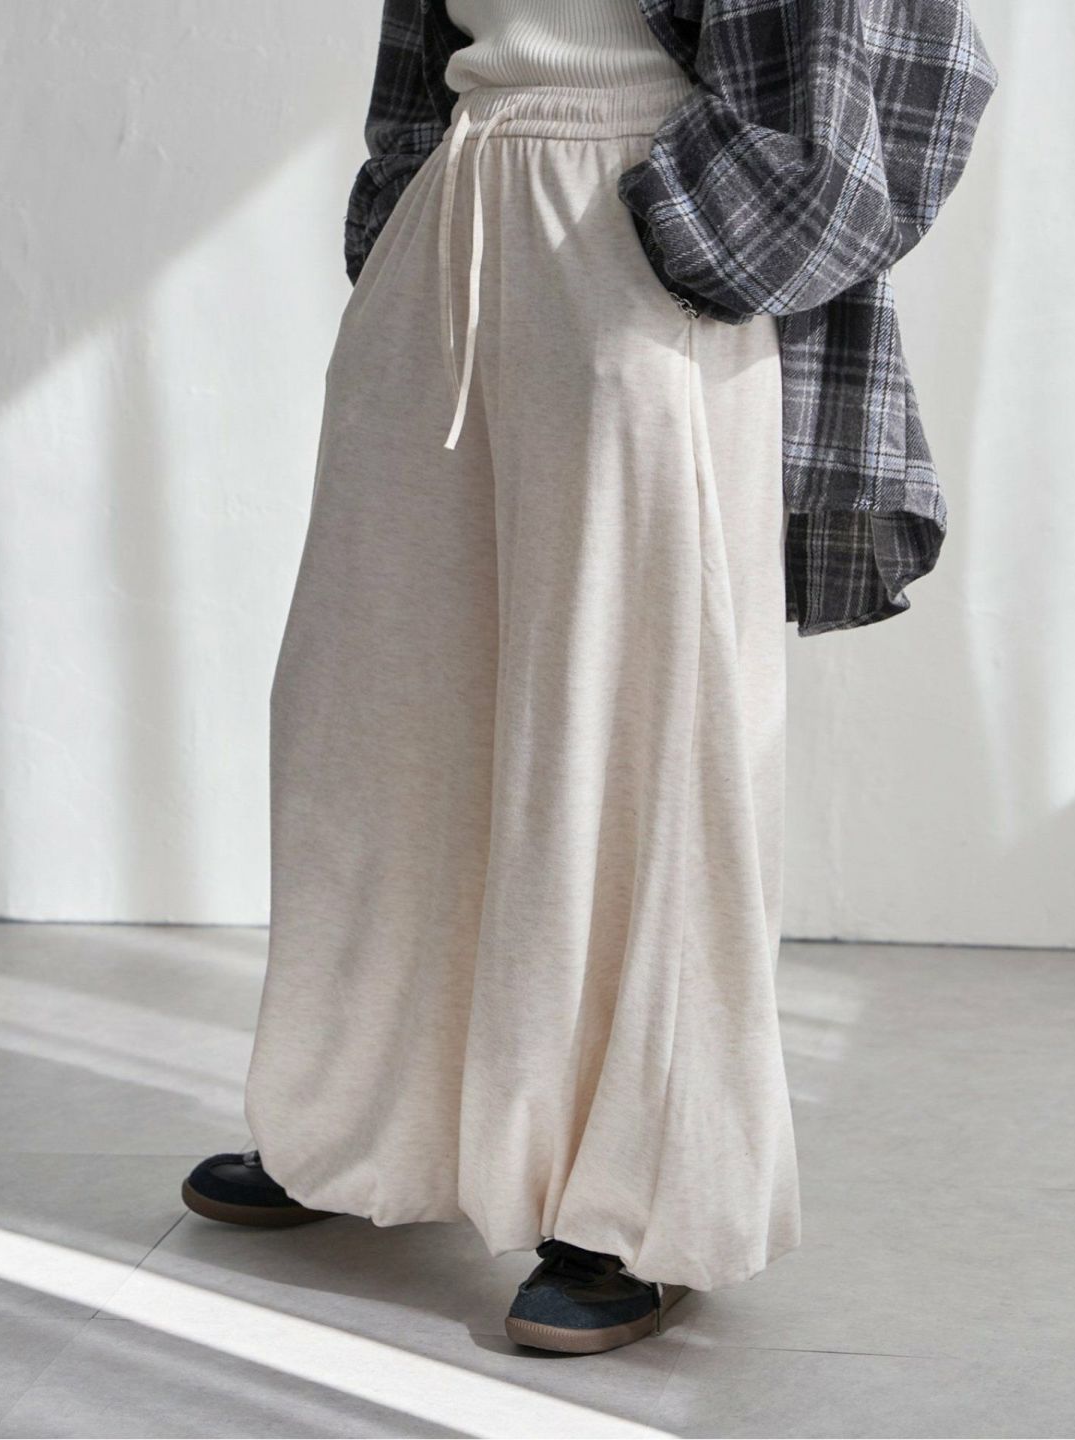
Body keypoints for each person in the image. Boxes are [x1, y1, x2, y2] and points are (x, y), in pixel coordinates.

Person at [181, 0, 997, 1356]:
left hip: (634, 237)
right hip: (455, 224)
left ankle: (637, 1204)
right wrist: (409, 207)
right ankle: (362, 1122)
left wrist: (682, 232)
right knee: (373, 711)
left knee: (636, 730)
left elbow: (890, 69)